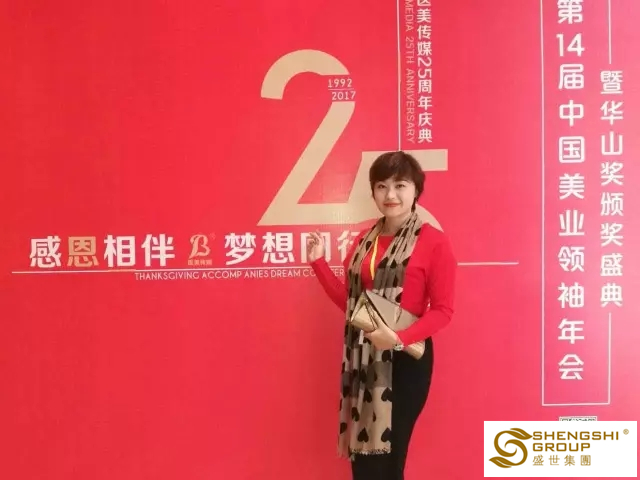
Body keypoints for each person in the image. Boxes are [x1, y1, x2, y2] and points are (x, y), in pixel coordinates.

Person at [306, 151, 457, 480]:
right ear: (373, 191)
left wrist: (398, 339)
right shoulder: (365, 241)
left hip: (405, 361)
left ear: (416, 190)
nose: (391, 194)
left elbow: (443, 311)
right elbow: (353, 305)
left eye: (400, 185)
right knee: (363, 460)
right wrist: (318, 263)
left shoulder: (434, 242)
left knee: (388, 460)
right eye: (381, 186)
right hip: (364, 358)